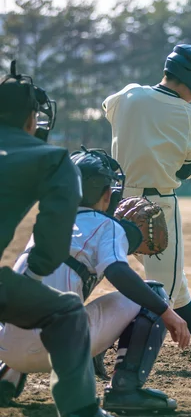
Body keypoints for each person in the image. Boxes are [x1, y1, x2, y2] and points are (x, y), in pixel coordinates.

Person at [0, 148, 190, 413]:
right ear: (106, 195)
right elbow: (118, 273)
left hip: (6, 346)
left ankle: (6, 379)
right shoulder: (105, 226)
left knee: (43, 297)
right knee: (154, 293)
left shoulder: (50, 223)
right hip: (55, 349)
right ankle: (126, 389)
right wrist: (167, 312)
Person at [102, 44, 191, 362]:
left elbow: (110, 111)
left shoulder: (129, 94)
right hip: (157, 207)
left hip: (117, 201)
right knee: (160, 292)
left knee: (169, 279)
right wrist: (179, 164)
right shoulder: (190, 116)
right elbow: (185, 169)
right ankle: (122, 369)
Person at [0, 62, 109, 416]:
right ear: (32, 119)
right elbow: (51, 239)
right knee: (65, 311)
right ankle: (81, 412)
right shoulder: (50, 158)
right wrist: (33, 275)